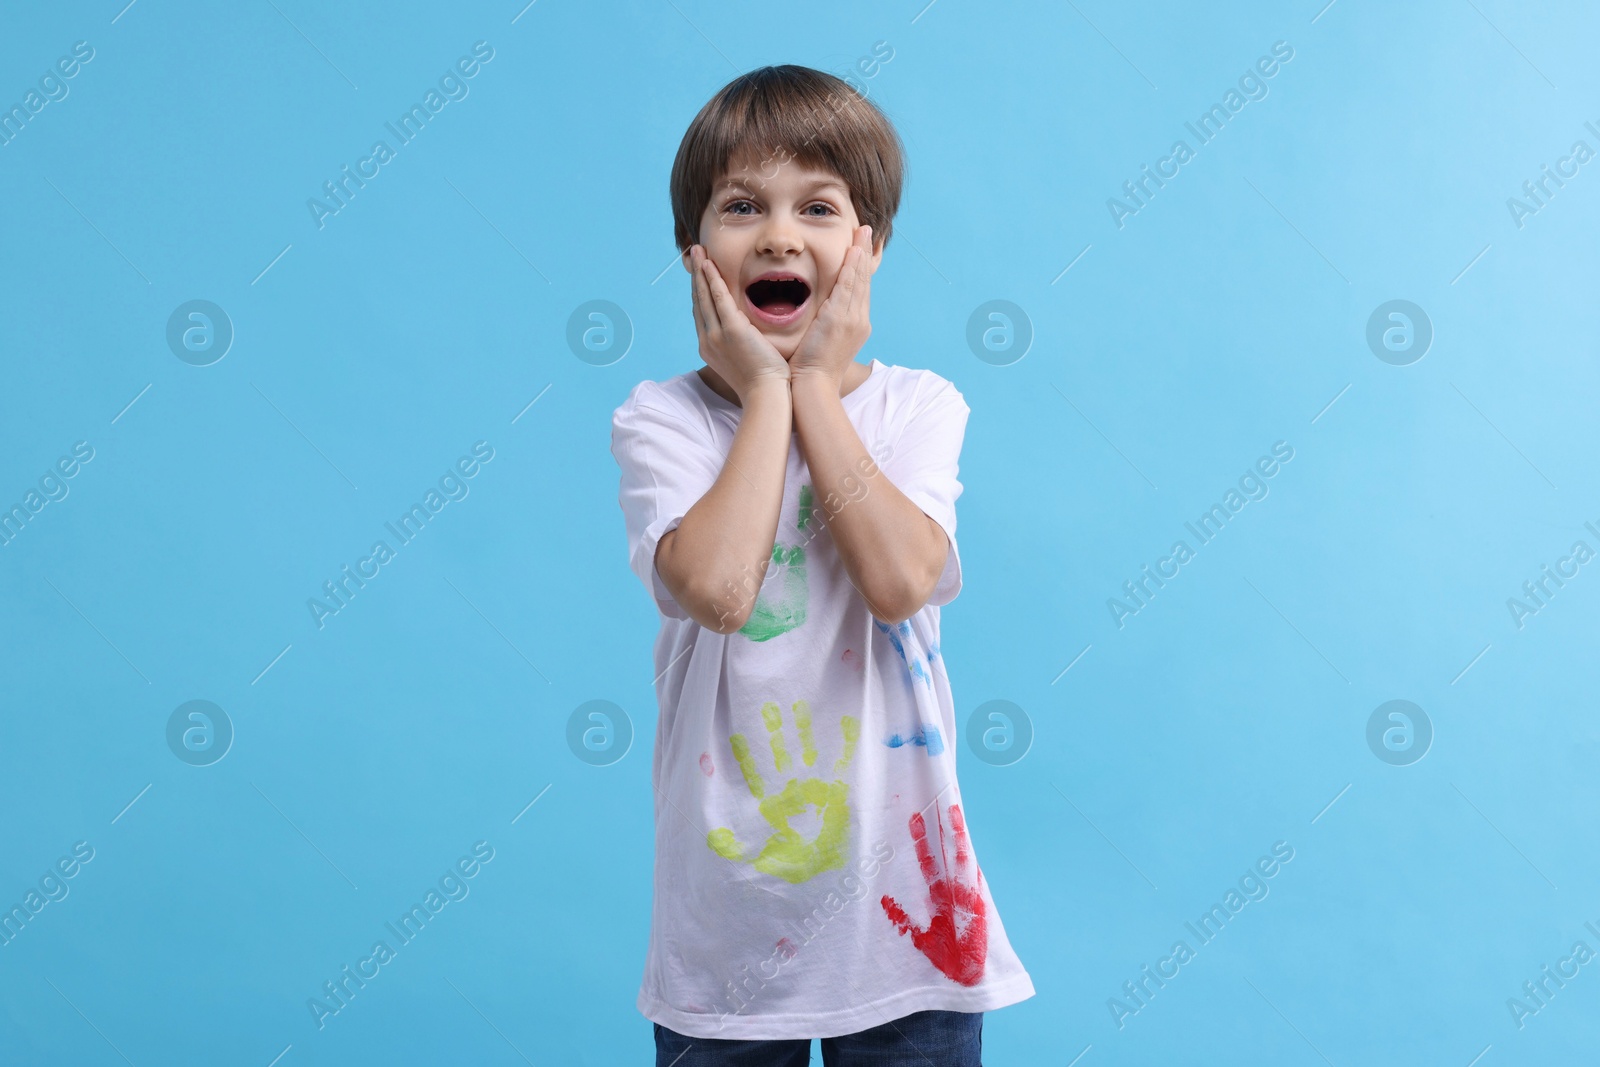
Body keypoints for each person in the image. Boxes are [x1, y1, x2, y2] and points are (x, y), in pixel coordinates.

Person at [610, 64, 1034, 1067]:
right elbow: (717, 591)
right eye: (741, 206)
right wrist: (764, 394)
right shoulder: (661, 419)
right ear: (694, 252)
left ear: (868, 247)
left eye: (819, 207)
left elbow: (897, 579)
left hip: (906, 917)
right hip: (725, 925)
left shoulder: (918, 407)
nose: (779, 234)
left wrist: (815, 394)